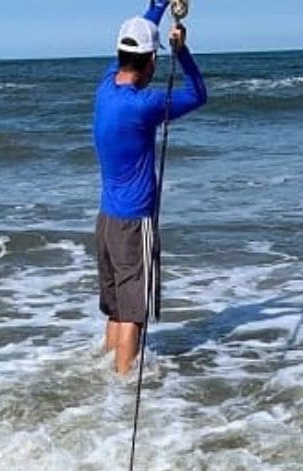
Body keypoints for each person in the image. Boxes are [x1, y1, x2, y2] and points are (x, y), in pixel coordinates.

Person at [94, 2, 207, 377]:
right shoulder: (145, 105)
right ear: (150, 62)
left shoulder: (106, 87)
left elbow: (140, 33)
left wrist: (157, 6)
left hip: (106, 221)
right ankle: (124, 385)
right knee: (135, 315)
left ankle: (108, 375)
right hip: (134, 223)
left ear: (120, 55)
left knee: (115, 308)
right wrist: (183, 52)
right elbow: (198, 94)